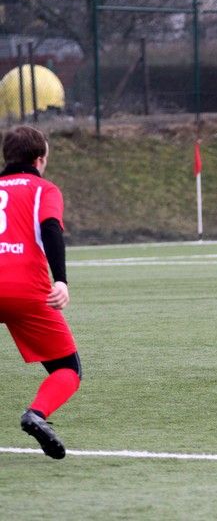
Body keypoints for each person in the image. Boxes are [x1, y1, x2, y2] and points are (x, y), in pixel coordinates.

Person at [1, 125, 82, 459]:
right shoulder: (44, 189)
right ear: (39, 159)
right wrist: (60, 280)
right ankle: (36, 414)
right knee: (68, 369)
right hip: (26, 291)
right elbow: (50, 228)